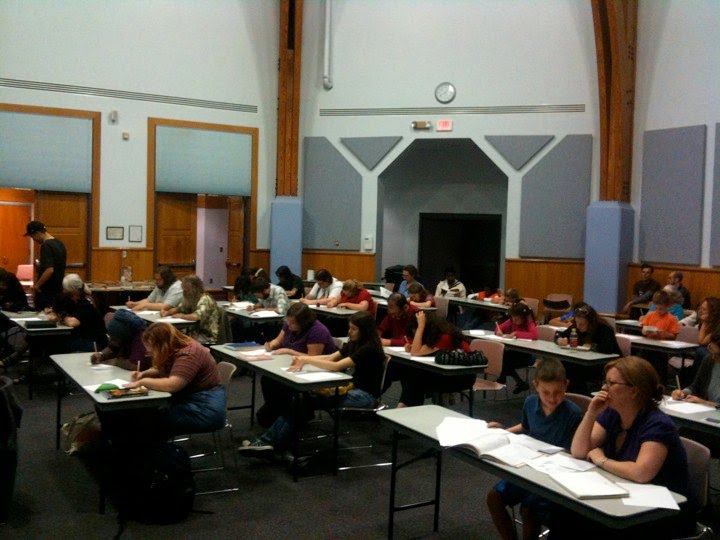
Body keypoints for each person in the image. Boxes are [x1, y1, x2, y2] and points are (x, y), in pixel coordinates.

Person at [558, 356, 692, 538]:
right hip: (628, 496)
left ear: (634, 391)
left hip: (663, 511)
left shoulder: (658, 423)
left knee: (585, 523)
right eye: (605, 382)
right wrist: (591, 413)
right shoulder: (612, 413)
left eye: (611, 383)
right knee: (565, 514)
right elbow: (579, 451)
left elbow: (641, 473)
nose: (604, 388)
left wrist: (602, 460)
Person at [239, 311, 385, 454]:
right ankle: (271, 442)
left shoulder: (369, 348)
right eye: (349, 327)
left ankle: (271, 442)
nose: (349, 332)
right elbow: (331, 357)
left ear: (365, 330)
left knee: (304, 400)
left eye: (353, 329)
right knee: (302, 399)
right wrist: (304, 359)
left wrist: (306, 359)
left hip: (365, 396)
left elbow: (336, 366)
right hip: (351, 388)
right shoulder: (354, 343)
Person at [486, 358, 582, 540]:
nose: (552, 398)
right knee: (494, 497)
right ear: (535, 385)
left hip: (552, 475)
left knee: (529, 509)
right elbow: (525, 426)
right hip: (528, 467)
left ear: (566, 385)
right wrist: (503, 432)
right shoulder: (530, 403)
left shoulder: (573, 414)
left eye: (558, 392)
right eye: (546, 392)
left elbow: (574, 453)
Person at [123, 322, 226, 438]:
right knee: (141, 416)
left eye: (152, 350)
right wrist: (143, 374)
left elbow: (172, 385)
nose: (150, 353)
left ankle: (156, 448)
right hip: (189, 400)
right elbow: (162, 368)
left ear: (162, 345)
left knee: (145, 421)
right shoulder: (175, 348)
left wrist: (142, 382)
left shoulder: (189, 354)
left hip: (204, 409)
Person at [256, 302, 338, 427]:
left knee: (279, 384)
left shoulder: (317, 331)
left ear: (303, 322)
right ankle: (277, 413)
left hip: (316, 370)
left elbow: (313, 358)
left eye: (292, 323)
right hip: (293, 364)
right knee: (268, 379)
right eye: (288, 321)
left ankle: (288, 416)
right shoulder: (289, 324)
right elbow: (278, 340)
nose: (289, 325)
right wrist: (271, 345)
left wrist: (290, 351)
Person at [397, 311, 476, 407]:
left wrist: (420, 326)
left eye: (417, 330)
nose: (416, 334)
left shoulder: (444, 337)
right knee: (409, 372)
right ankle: (407, 407)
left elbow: (415, 352)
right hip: (447, 373)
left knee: (415, 377)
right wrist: (412, 346)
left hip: (462, 377)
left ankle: (405, 407)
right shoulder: (435, 335)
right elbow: (418, 350)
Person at [556, 304, 622, 394]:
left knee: (573, 368)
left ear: (591, 323)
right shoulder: (576, 327)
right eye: (576, 323)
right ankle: (573, 394)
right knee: (565, 364)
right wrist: (559, 339)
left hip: (605, 364)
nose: (578, 327)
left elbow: (607, 348)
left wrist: (592, 346)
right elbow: (559, 334)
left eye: (582, 324)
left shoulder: (604, 329)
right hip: (585, 362)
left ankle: (580, 395)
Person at [47, 274, 108, 353]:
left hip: (94, 342)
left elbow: (73, 323)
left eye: (68, 292)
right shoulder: (68, 298)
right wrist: (56, 314)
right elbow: (54, 313)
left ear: (75, 291)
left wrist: (61, 316)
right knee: (50, 341)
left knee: (56, 345)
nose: (64, 292)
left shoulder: (87, 302)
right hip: (79, 336)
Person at [161, 275, 220, 343]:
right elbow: (179, 308)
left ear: (195, 289)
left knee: (174, 341)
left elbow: (196, 316)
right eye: (183, 290)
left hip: (206, 336)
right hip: (192, 333)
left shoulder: (205, 299)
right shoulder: (191, 299)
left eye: (187, 290)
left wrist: (181, 316)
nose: (184, 293)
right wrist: (167, 313)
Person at [24, 220, 67, 310]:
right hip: (58, 289)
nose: (34, 240)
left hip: (47, 291)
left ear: (38, 233)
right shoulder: (60, 243)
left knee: (42, 315)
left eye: (32, 236)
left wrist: (37, 285)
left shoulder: (46, 245)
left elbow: (49, 270)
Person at [496, 302, 538, 394]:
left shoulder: (529, 323)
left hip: (526, 355)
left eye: (516, 319)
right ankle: (519, 382)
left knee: (503, 361)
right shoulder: (512, 320)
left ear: (523, 317)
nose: (514, 321)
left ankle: (504, 378)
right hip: (513, 353)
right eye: (512, 318)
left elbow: (534, 335)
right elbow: (499, 328)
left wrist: (516, 334)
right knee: (502, 358)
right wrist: (498, 331)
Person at [672, 332, 720, 407]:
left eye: (718, 354)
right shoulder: (709, 360)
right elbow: (696, 386)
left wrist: (704, 402)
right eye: (711, 350)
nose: (713, 357)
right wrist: (683, 392)